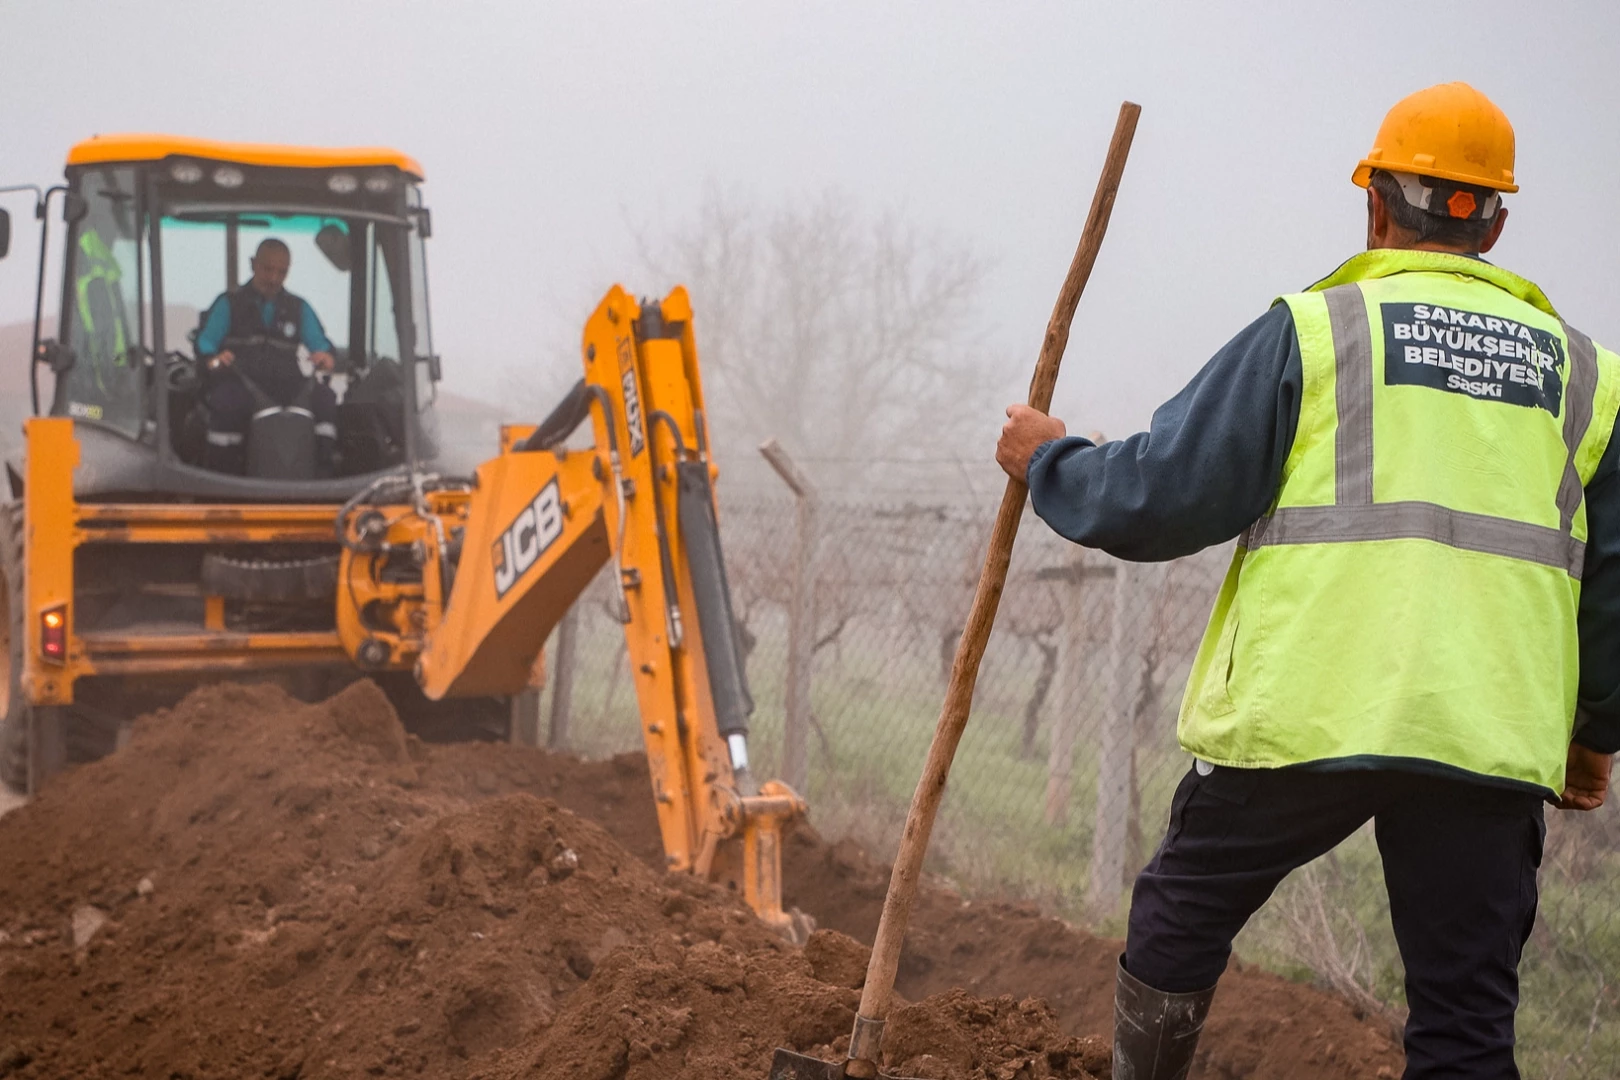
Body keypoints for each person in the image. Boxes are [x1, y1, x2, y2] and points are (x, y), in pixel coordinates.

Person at [995, 82, 1620, 1080]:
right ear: (1495, 220)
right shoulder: (1589, 376)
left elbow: (1165, 496)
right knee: (1464, 1013)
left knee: (1180, 919)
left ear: (1375, 203)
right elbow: (1614, 587)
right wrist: (1593, 736)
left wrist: (1051, 463)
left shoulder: (1318, 333)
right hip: (1484, 732)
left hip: (1309, 709)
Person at [195, 237, 338, 474]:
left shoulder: (299, 307)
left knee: (325, 399)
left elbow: (321, 346)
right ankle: (223, 479)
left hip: (286, 385)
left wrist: (325, 357)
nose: (273, 279)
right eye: (267, 269)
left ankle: (324, 475)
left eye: (281, 272)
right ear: (253, 264)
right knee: (227, 402)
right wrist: (214, 358)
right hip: (239, 382)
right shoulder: (228, 304)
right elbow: (205, 342)